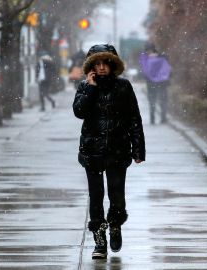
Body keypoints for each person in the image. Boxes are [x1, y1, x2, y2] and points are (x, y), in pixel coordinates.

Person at [73, 44, 146, 259]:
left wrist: (138, 149)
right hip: (92, 151)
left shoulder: (123, 86)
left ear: (113, 65)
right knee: (95, 197)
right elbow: (79, 112)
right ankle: (99, 239)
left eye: (106, 63)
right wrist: (90, 87)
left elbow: (134, 118)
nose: (102, 67)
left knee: (117, 195)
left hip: (117, 149)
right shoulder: (85, 86)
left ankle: (115, 225)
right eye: (98, 63)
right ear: (91, 67)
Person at [139, 43, 171, 124]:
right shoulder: (145, 57)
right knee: (152, 100)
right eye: (147, 50)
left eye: (150, 50)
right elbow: (145, 69)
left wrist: (159, 56)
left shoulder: (160, 56)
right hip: (152, 83)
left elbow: (166, 65)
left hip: (160, 82)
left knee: (162, 100)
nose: (148, 52)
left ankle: (163, 118)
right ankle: (152, 118)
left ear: (153, 49)